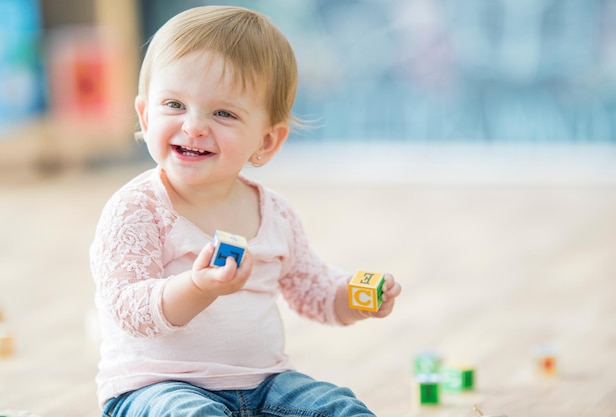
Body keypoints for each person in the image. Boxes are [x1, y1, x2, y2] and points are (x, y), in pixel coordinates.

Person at [90, 6, 402, 417]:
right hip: (155, 387)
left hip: (265, 384)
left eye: (224, 113)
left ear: (267, 142)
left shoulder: (274, 214)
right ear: (146, 117)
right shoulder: (137, 209)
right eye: (174, 104)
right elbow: (129, 309)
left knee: (340, 407)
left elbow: (313, 291)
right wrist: (199, 287)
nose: (195, 126)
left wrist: (355, 298)